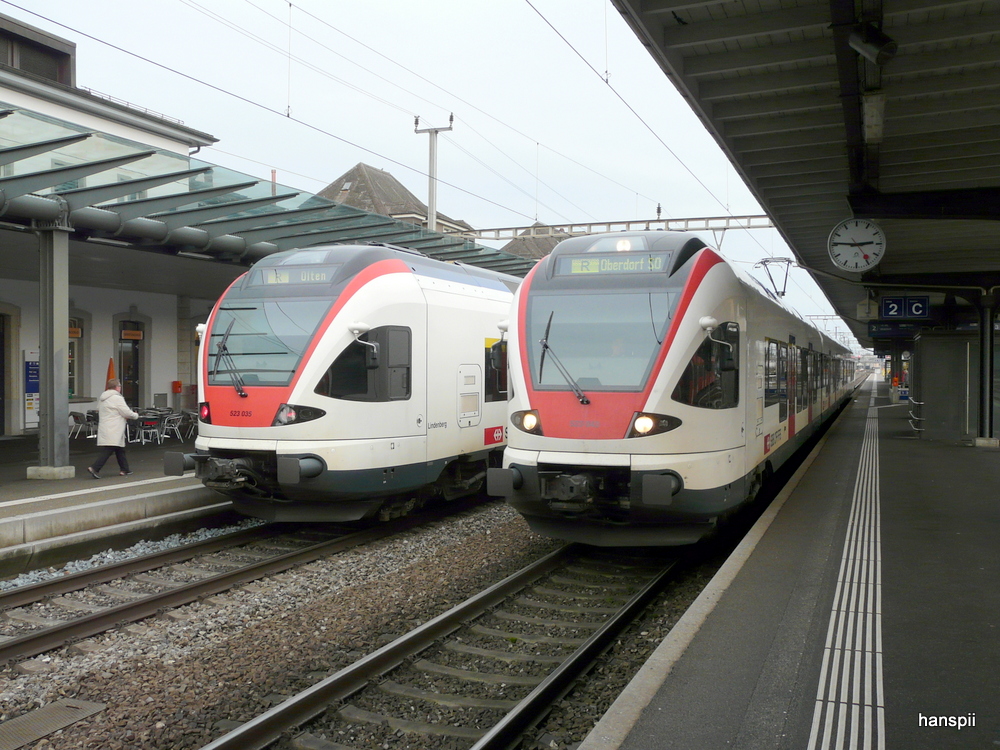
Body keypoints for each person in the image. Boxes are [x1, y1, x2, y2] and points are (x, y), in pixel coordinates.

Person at [87, 378, 139, 478]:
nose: (120, 388)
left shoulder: (103, 398)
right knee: (109, 448)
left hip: (106, 426)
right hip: (115, 427)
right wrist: (135, 415)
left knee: (119, 448)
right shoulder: (117, 398)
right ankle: (94, 468)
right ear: (116, 387)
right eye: (119, 386)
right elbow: (126, 412)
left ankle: (125, 469)